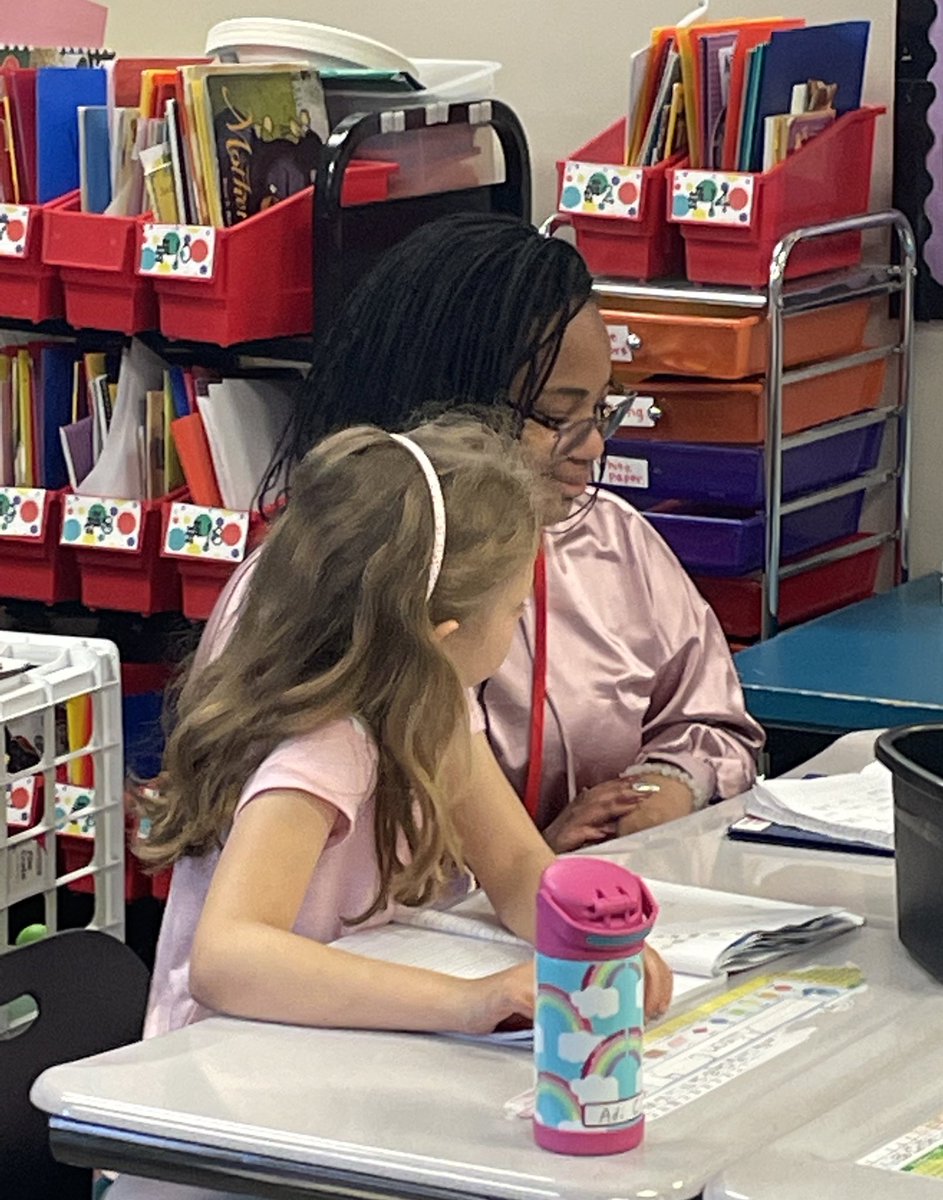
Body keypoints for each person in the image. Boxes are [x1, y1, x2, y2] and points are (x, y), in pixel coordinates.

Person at [209, 213, 764, 853]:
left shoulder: (609, 540)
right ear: (446, 407)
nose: (591, 447)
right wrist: (525, 859)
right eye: (556, 415)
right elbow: (307, 868)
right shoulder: (309, 588)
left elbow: (712, 722)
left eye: (601, 409)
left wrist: (668, 786)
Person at [140, 418, 674, 1039]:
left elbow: (513, 863)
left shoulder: (429, 704)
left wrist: (590, 941)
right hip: (225, 1067)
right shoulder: (325, 746)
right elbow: (226, 960)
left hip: (327, 1041)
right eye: (513, 611)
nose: (517, 626)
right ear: (441, 639)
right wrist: (472, 1001)